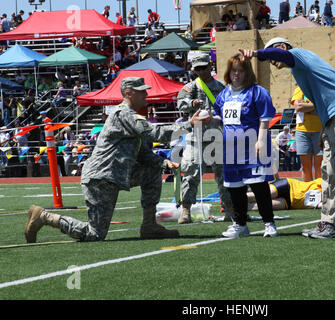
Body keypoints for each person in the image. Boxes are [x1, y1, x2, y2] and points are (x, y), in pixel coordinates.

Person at [24, 77, 210, 243]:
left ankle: (149, 225)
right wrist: (189, 124)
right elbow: (154, 133)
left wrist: (163, 163)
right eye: (141, 91)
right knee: (94, 234)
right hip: (101, 179)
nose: (146, 94)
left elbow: (143, 153)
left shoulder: (131, 117)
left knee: (152, 172)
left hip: (116, 175)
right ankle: (45, 217)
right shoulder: (123, 114)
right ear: (128, 93)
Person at [240, 37, 335, 239]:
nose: (272, 62)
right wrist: (326, 125)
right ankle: (329, 223)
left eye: (272, 56)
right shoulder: (302, 68)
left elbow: (283, 55)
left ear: (281, 48)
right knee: (328, 170)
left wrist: (257, 53)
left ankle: (333, 224)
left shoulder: (298, 55)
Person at [208, 53, 277, 238]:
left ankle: (269, 223)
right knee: (235, 189)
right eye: (233, 71)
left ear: (247, 73)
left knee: (259, 187)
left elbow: (265, 118)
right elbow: (219, 117)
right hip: (230, 150)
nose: (236, 74)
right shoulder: (223, 95)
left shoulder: (258, 92)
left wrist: (261, 140)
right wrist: (208, 118)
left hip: (252, 148)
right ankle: (240, 224)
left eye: (240, 71)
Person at [176, 53, 233, 224]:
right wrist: (191, 103)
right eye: (198, 68)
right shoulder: (190, 87)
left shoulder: (221, 87)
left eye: (204, 67)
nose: (201, 71)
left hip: (217, 136)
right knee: (191, 173)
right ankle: (185, 210)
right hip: (196, 137)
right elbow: (180, 104)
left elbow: (228, 106)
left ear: (210, 66)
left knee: (223, 175)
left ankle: (229, 209)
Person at [291, 86, 322, 182]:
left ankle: (321, 191)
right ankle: (308, 192)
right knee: (305, 167)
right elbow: (298, 107)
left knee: (320, 166)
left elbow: (324, 105)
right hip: (302, 132)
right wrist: (316, 106)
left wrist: (307, 107)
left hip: (320, 131)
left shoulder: (320, 88)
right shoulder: (299, 89)